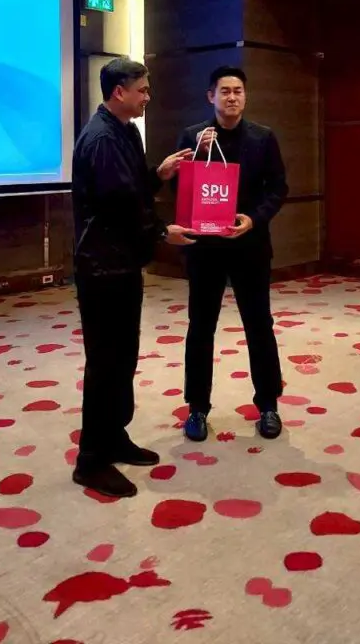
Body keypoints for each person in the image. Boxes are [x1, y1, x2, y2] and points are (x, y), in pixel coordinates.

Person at [72, 57, 195, 498]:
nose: (148, 97)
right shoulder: (102, 138)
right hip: (101, 268)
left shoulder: (126, 131)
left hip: (123, 263)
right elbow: (117, 206)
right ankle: (90, 460)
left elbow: (132, 190)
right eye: (142, 90)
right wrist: (161, 233)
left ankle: (113, 436)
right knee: (105, 362)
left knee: (123, 357)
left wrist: (158, 176)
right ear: (119, 92)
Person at [176, 65, 287, 443]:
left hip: (249, 246)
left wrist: (253, 219)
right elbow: (180, 190)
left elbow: (278, 188)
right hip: (205, 249)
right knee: (200, 327)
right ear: (211, 96)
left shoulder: (263, 137)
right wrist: (198, 156)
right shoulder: (193, 137)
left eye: (238, 91)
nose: (232, 97)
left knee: (259, 325)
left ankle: (268, 405)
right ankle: (197, 408)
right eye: (224, 91)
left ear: (246, 96)